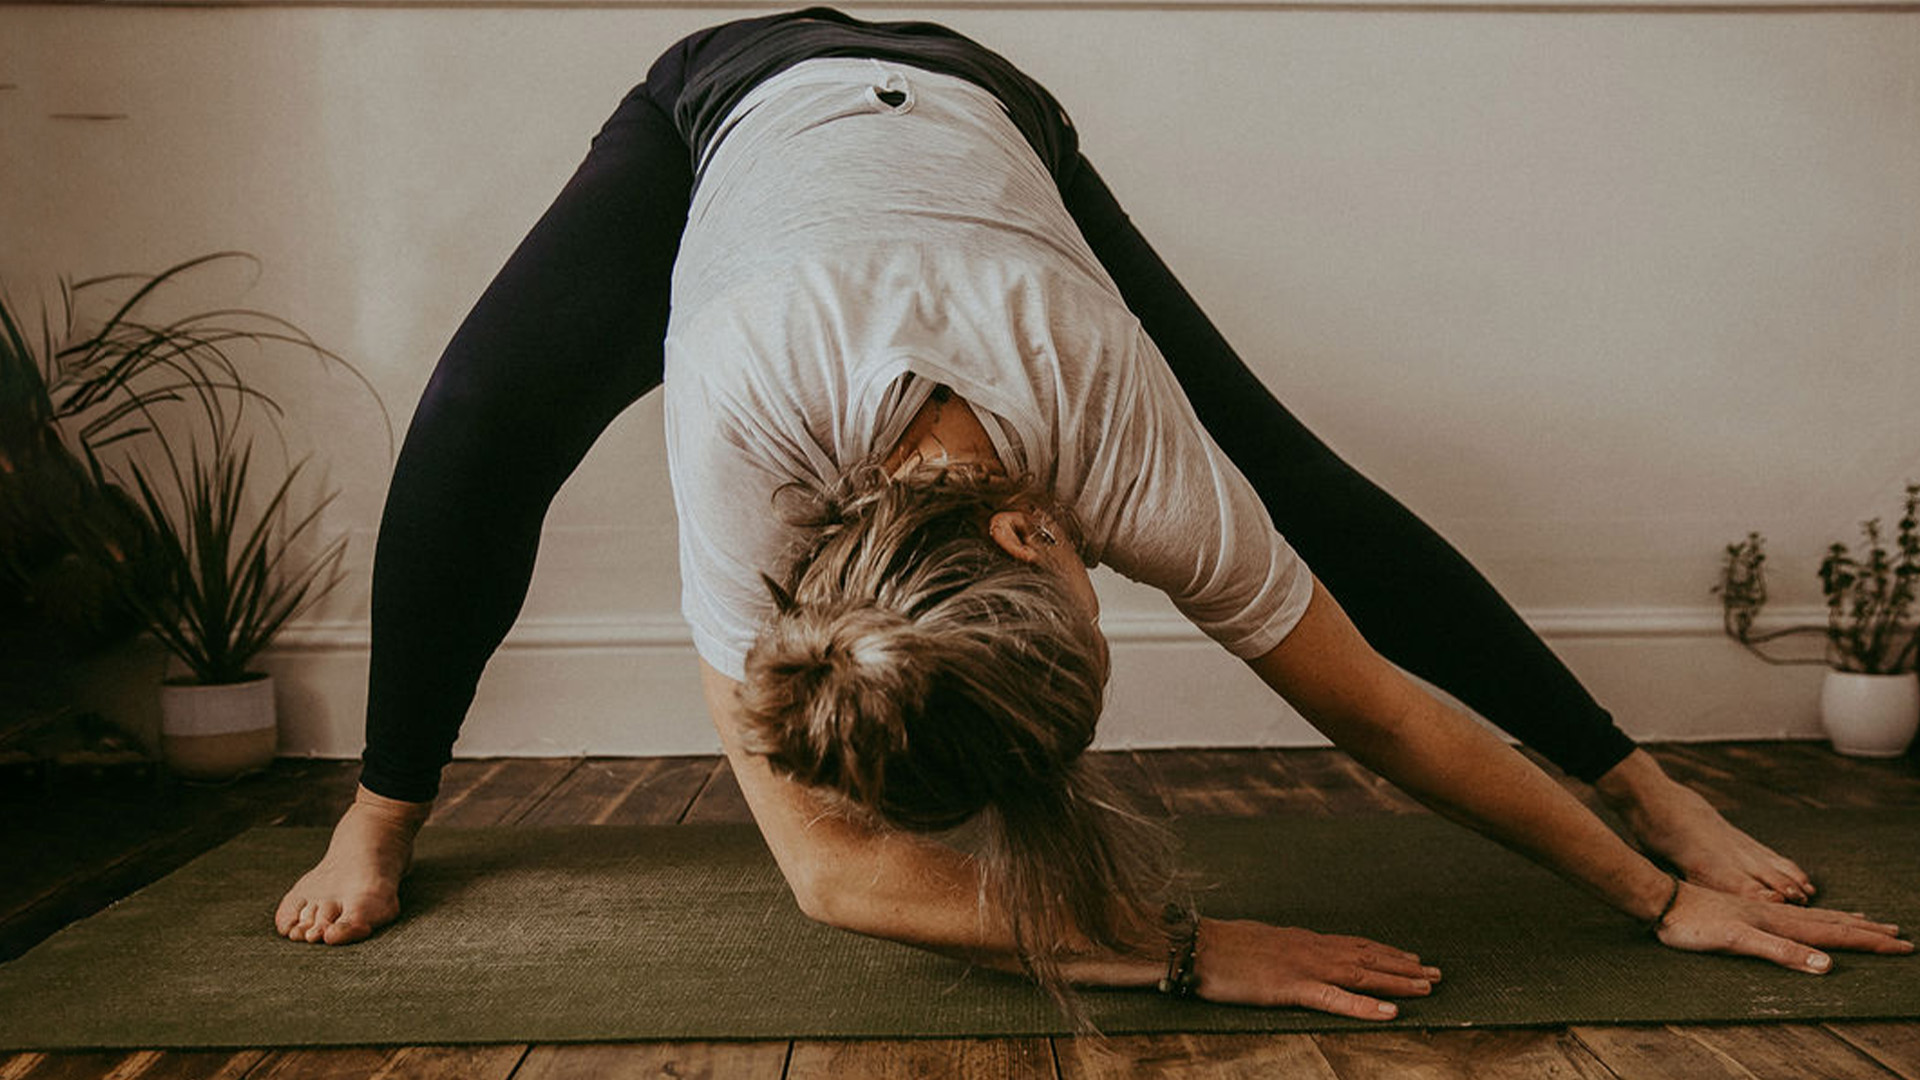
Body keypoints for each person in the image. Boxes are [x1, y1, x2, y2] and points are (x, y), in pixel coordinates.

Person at [275, 9, 1910, 1018]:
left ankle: (1656, 779)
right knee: (479, 431)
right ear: (1029, 540)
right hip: (723, 115)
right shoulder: (743, 455)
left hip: (978, 110)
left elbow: (1386, 715)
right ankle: (386, 808)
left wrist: (1656, 877)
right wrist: (1189, 947)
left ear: (1043, 534)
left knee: (1307, 489)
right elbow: (829, 877)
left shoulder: (1126, 442)